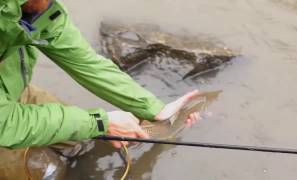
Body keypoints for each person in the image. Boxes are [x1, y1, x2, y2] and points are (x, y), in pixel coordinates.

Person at [0, 0, 200, 150]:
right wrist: (100, 122)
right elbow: (6, 125)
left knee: (78, 141)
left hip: (11, 88)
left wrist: (156, 109)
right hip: (5, 119)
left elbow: (84, 61)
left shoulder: (42, 7)